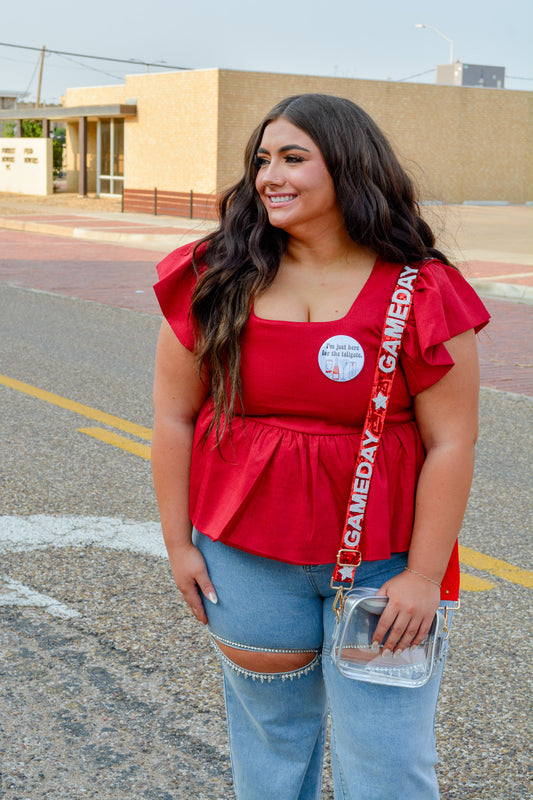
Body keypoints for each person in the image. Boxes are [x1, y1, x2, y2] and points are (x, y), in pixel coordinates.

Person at [151, 93, 490, 800]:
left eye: (292, 158)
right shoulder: (214, 277)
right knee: (271, 756)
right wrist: (179, 544)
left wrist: (423, 578)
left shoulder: (422, 289)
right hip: (244, 564)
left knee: (388, 767)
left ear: (348, 166)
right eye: (261, 161)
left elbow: (451, 441)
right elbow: (173, 418)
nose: (269, 175)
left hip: (385, 569)